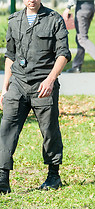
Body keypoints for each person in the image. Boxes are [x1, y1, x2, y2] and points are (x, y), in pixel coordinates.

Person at [0, 0, 71, 194]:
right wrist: (5, 86)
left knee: (50, 131)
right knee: (7, 128)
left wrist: (50, 80)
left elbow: (63, 54)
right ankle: (2, 179)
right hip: (19, 84)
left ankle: (53, 176)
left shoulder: (53, 19)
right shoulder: (14, 20)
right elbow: (10, 55)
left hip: (43, 84)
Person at [63, 0, 95, 74]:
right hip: (91, 7)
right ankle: (77, 66)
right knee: (80, 37)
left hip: (82, 8)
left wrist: (68, 7)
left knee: (82, 38)